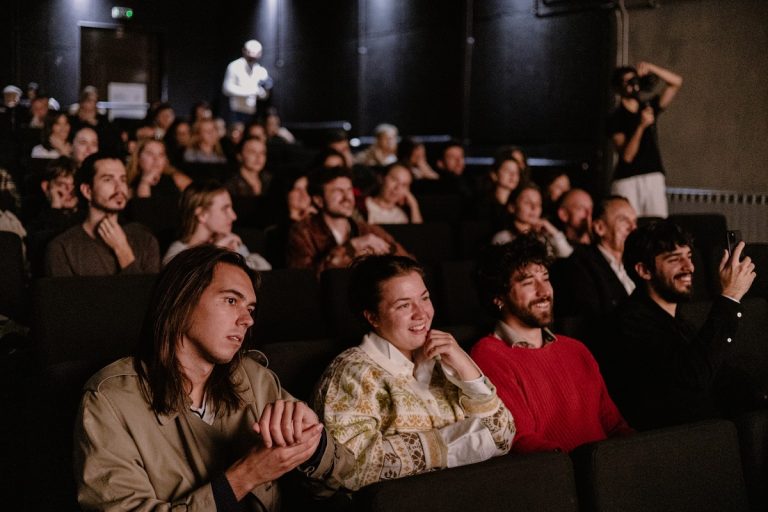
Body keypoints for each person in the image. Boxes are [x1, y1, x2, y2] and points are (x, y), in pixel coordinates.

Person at [74, 245, 352, 510]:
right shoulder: (109, 399)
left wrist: (313, 443)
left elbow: (343, 480)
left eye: (251, 309)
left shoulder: (253, 377)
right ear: (181, 301)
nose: (247, 320)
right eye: (231, 301)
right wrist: (246, 475)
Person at [315, 255, 514, 490]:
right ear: (373, 317)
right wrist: (452, 445)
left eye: (425, 298)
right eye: (404, 305)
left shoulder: (447, 358)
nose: (422, 314)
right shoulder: (350, 373)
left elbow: (503, 436)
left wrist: (467, 370)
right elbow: (349, 468)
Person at [470, 236, 632, 453]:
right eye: (528, 282)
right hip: (560, 477)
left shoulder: (576, 349)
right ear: (499, 297)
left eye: (545, 278)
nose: (544, 291)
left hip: (610, 468)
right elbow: (520, 439)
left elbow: (614, 424)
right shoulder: (488, 355)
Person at [606, 220, 756, 429]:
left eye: (689, 257)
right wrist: (730, 296)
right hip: (673, 442)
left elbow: (720, 375)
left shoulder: (677, 319)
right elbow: (692, 377)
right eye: (675, 259)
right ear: (644, 270)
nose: (689, 267)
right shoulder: (630, 323)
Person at [44, 151, 160, 276]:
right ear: (87, 191)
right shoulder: (62, 248)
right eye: (108, 180)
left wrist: (123, 252)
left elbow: (147, 294)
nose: (119, 187)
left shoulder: (145, 240)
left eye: (123, 180)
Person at [286, 166, 409, 275]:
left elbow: (408, 263)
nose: (347, 197)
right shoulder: (302, 232)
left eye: (349, 190)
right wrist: (350, 248)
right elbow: (305, 280)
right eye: (338, 191)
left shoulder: (366, 230)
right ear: (319, 200)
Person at [608, 61, 683, 218]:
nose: (632, 85)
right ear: (618, 87)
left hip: (652, 174)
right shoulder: (615, 118)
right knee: (627, 223)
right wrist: (641, 127)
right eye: (627, 81)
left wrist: (651, 67)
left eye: (634, 80)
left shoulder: (648, 107)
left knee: (658, 223)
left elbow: (676, 82)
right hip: (627, 179)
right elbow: (627, 157)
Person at [553, 196, 637, 334]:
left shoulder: (635, 266)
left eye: (634, 221)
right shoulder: (579, 266)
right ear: (599, 228)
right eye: (623, 220)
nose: (633, 228)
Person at [163, 180, 271, 271]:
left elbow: (266, 271)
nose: (234, 216)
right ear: (202, 214)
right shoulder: (176, 253)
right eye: (225, 209)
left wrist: (239, 253)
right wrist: (216, 251)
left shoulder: (229, 242)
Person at [492, 183, 573, 259]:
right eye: (527, 202)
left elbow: (567, 254)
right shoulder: (503, 237)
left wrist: (552, 230)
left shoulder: (543, 237)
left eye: (538, 204)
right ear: (512, 207)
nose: (534, 207)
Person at [223, 39, 271, 124]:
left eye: (256, 54)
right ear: (244, 51)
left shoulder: (261, 71)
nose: (252, 57)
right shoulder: (234, 66)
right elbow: (226, 88)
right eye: (250, 53)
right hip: (236, 110)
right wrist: (251, 91)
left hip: (254, 112)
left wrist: (262, 92)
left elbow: (265, 95)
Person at [477, 146, 525, 232]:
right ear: (494, 175)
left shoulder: (517, 206)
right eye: (507, 170)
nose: (513, 175)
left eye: (516, 172)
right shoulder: (482, 205)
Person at [127, 138, 191, 198]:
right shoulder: (130, 186)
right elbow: (144, 208)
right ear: (138, 158)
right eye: (150, 154)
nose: (156, 159)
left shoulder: (178, 180)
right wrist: (144, 183)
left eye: (161, 155)